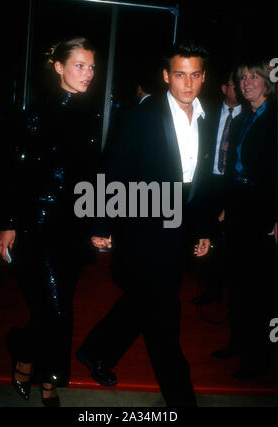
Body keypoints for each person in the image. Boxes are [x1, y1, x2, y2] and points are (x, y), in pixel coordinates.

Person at [75, 41, 213, 408]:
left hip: (181, 226)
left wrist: (202, 230)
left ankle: (95, 350)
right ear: (167, 76)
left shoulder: (207, 116)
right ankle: (181, 400)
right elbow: (112, 171)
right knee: (165, 317)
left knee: (142, 301)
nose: (188, 83)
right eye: (180, 74)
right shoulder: (143, 115)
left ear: (204, 77)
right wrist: (100, 223)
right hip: (144, 225)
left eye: (195, 74)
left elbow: (202, 181)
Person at [0, 36, 99, 406]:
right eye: (79, 65)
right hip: (37, 225)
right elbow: (15, 172)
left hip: (71, 229)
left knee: (57, 308)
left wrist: (95, 224)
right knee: (53, 309)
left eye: (90, 66)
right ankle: (46, 379)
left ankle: (24, 352)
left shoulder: (90, 112)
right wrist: (8, 223)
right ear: (58, 67)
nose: (87, 73)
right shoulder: (38, 114)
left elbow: (89, 176)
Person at [213, 57, 277, 378]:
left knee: (259, 291)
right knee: (237, 283)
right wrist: (226, 204)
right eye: (243, 79)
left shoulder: (275, 118)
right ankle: (238, 344)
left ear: (267, 82)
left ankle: (259, 361)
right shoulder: (242, 119)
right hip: (239, 206)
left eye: (254, 77)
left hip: (263, 211)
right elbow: (230, 168)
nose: (247, 83)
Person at [193, 69, 243, 306]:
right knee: (205, 232)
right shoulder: (208, 113)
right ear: (224, 88)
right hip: (208, 180)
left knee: (230, 237)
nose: (242, 87)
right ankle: (210, 288)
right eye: (236, 84)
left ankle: (232, 289)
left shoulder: (248, 117)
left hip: (233, 184)